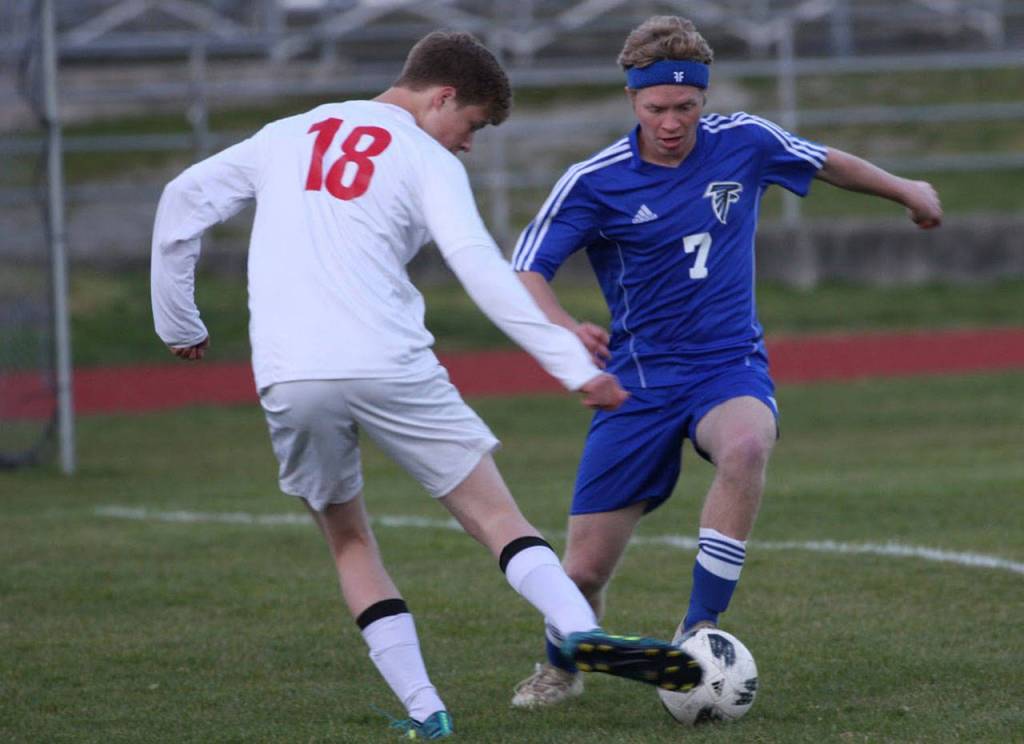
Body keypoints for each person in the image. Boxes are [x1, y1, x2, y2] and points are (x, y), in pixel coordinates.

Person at [151, 30, 702, 741]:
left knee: (349, 541)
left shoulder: (284, 134)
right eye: (471, 125)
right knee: (496, 518)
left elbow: (182, 198)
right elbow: (480, 267)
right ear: (441, 97)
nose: (467, 144)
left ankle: (425, 711)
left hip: (292, 373)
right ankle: (576, 629)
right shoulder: (424, 156)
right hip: (390, 361)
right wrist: (573, 366)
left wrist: (179, 321)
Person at [509, 15, 943, 709]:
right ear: (632, 99)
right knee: (582, 571)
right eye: (657, 108)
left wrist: (907, 189)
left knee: (745, 445)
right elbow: (526, 268)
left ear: (704, 99)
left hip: (727, 365)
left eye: (686, 106)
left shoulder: (745, 141)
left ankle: (699, 630)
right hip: (638, 384)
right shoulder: (594, 181)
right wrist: (563, 330)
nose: (672, 122)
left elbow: (825, 161)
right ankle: (560, 666)